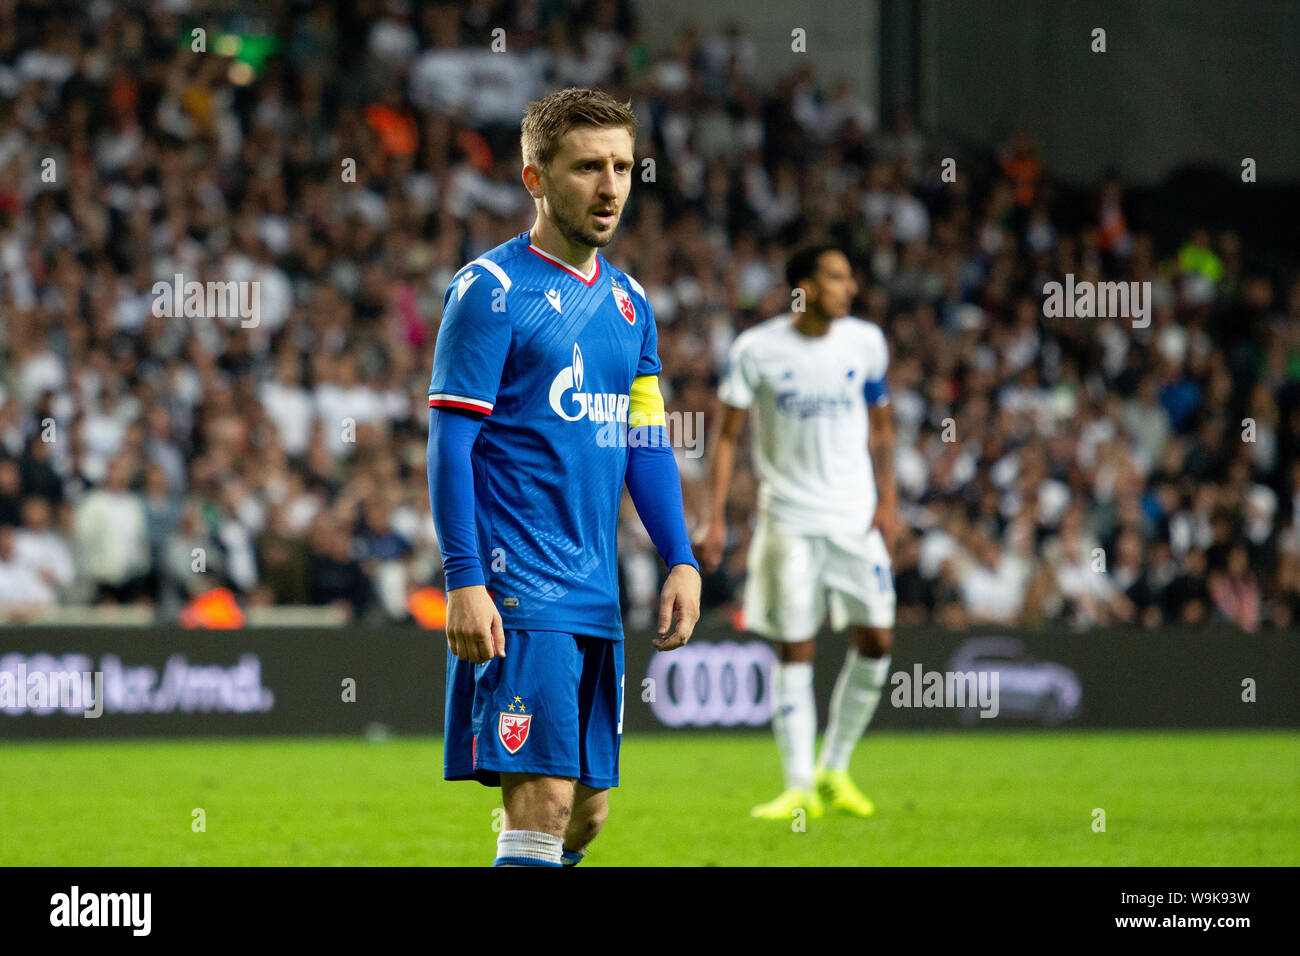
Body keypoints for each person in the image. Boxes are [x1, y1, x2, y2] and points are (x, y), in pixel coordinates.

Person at [426, 87, 701, 867]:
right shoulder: (491, 293)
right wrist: (463, 579)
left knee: (584, 815)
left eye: (622, 166)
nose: (611, 186)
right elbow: (449, 446)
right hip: (519, 587)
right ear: (535, 177)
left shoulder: (630, 302)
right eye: (587, 168)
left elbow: (645, 443)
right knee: (545, 802)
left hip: (595, 591)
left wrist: (679, 556)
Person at [701, 244, 897, 819]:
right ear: (805, 287)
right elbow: (729, 436)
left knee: (879, 641)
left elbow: (882, 428)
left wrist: (888, 501)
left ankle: (834, 767)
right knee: (796, 647)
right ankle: (798, 785)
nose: (852, 287)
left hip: (855, 516)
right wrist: (714, 517)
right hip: (788, 518)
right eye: (839, 277)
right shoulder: (757, 349)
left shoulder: (866, 343)